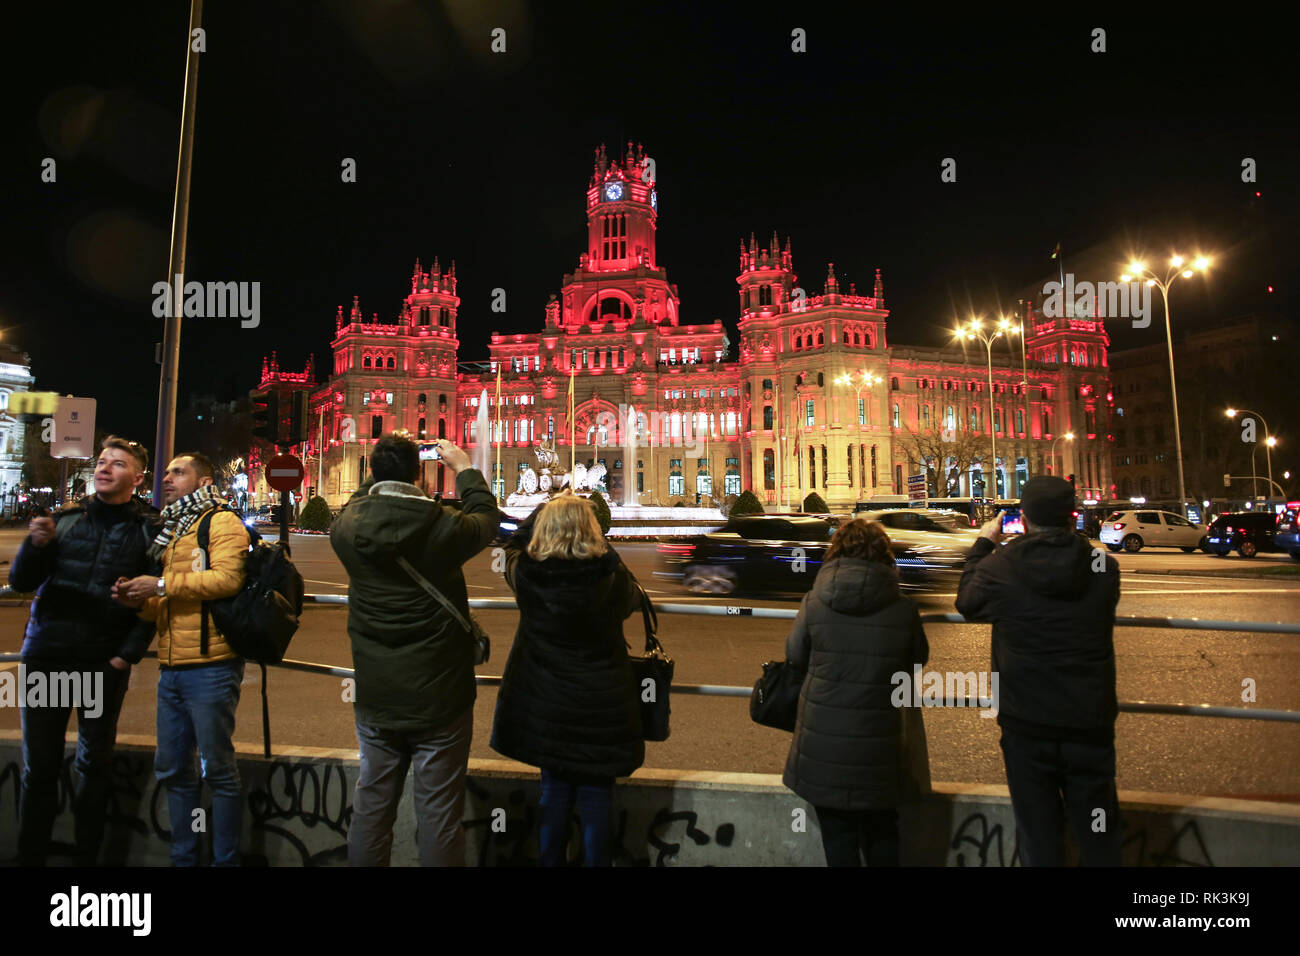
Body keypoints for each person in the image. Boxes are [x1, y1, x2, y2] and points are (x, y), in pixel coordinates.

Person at [329, 434, 499, 866]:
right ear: (420, 473)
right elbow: (485, 516)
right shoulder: (445, 526)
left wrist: (380, 476)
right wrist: (463, 468)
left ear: (372, 474)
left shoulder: (345, 528)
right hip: (442, 695)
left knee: (371, 807)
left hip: (377, 692)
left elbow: (360, 501)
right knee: (440, 814)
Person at [955, 475, 1122, 866]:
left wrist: (983, 544)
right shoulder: (1104, 568)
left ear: (1024, 520)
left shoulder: (1001, 566)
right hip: (1089, 720)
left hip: (1027, 722)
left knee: (1039, 834)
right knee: (1099, 833)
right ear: (1071, 517)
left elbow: (967, 602)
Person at [10, 437, 159, 866]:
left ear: (137, 476)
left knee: (93, 767)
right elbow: (23, 581)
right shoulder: (66, 520)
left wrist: (122, 658)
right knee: (40, 767)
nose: (105, 468)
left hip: (100, 663)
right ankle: (29, 855)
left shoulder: (148, 529)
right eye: (102, 462)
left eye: (118, 463)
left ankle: (85, 859)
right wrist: (33, 545)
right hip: (48, 657)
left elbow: (151, 603)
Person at [491, 491, 646, 866]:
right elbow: (630, 600)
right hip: (601, 707)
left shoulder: (528, 576)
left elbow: (512, 543)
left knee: (554, 794)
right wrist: (600, 543)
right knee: (597, 798)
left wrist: (543, 510)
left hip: (548, 707)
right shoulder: (611, 575)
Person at [113, 451, 250, 867]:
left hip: (211, 666)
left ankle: (224, 859)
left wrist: (158, 583)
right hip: (172, 666)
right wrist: (138, 600)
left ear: (204, 481)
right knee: (174, 770)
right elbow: (170, 601)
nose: (167, 478)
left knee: (219, 772)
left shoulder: (220, 521)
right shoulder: (173, 529)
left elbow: (228, 579)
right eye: (166, 471)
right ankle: (186, 854)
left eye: (178, 471)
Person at [782, 518, 930, 867]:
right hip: (881, 741)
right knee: (883, 832)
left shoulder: (814, 601)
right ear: (885, 555)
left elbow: (794, 655)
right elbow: (917, 660)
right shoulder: (904, 607)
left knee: (838, 837)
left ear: (836, 552)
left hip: (824, 742)